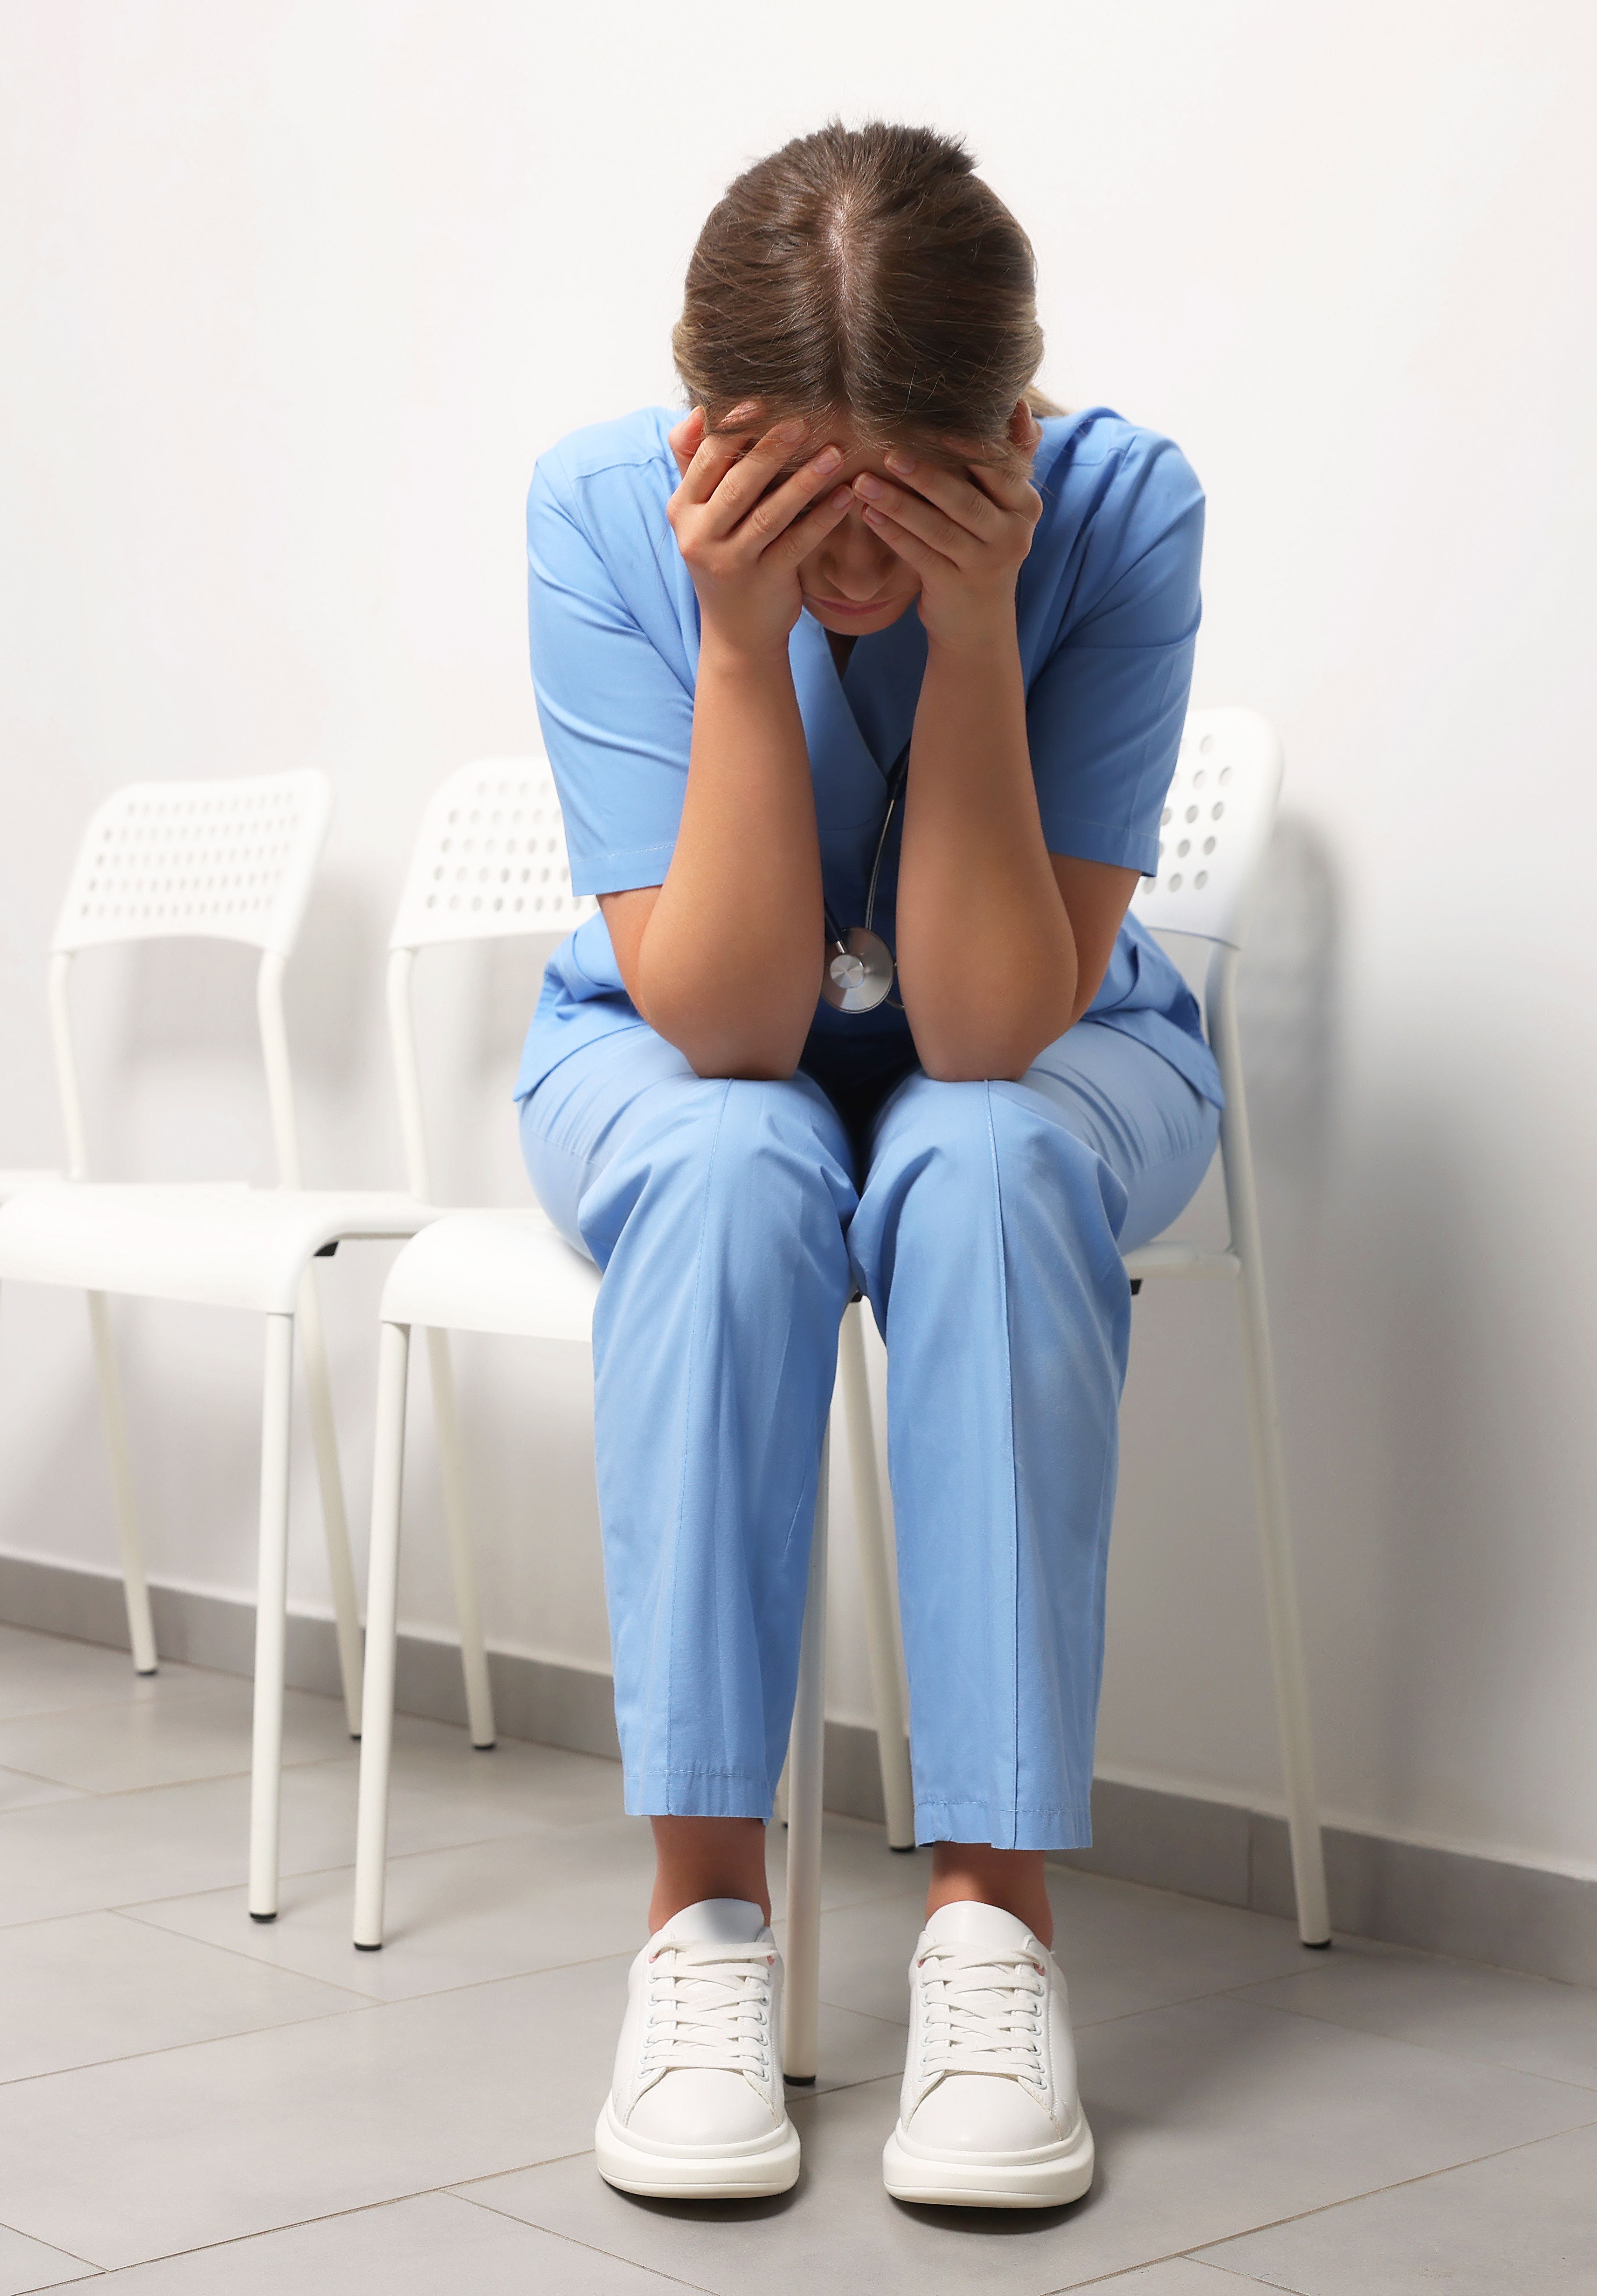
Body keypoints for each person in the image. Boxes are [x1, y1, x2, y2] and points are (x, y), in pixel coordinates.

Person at [522, 121, 1220, 2209]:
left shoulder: (1117, 510)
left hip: (1050, 1039)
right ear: (700, 433)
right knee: (740, 1163)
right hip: (671, 1043)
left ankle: (988, 1931)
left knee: (987, 1160)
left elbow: (995, 1022)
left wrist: (979, 631)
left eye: (896, 504)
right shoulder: (595, 513)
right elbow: (727, 1027)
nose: (847, 569)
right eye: (794, 501)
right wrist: (741, 648)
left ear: (1006, 432)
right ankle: (698, 1928)